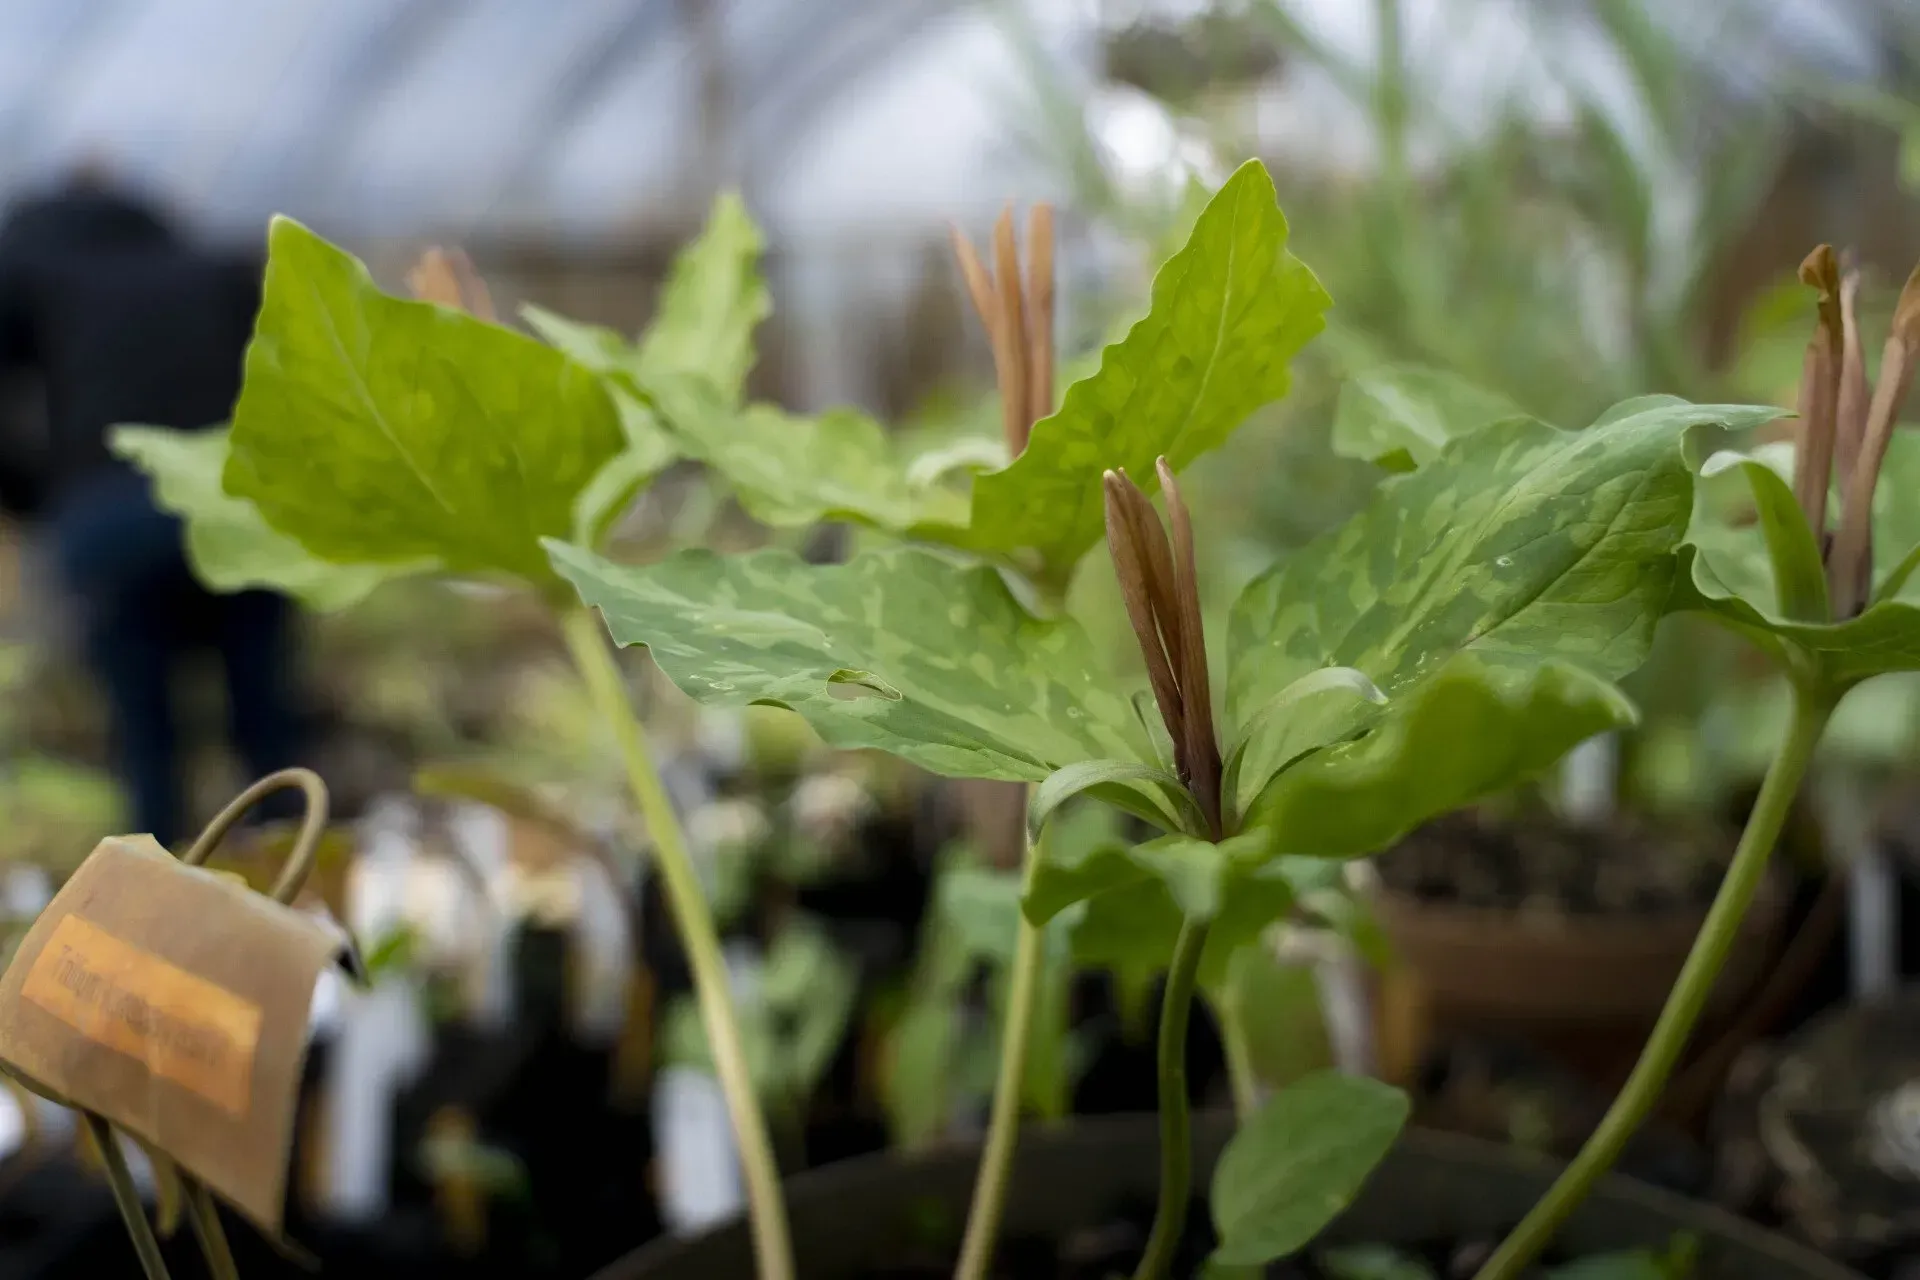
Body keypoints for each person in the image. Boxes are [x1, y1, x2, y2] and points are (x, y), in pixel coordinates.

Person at [0, 169, 303, 846]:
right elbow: (290, 385)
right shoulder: (204, 266)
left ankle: (155, 912)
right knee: (267, 725)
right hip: (239, 506)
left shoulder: (32, 267)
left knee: (146, 738)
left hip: (108, 514)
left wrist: (37, 497)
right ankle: (302, 910)